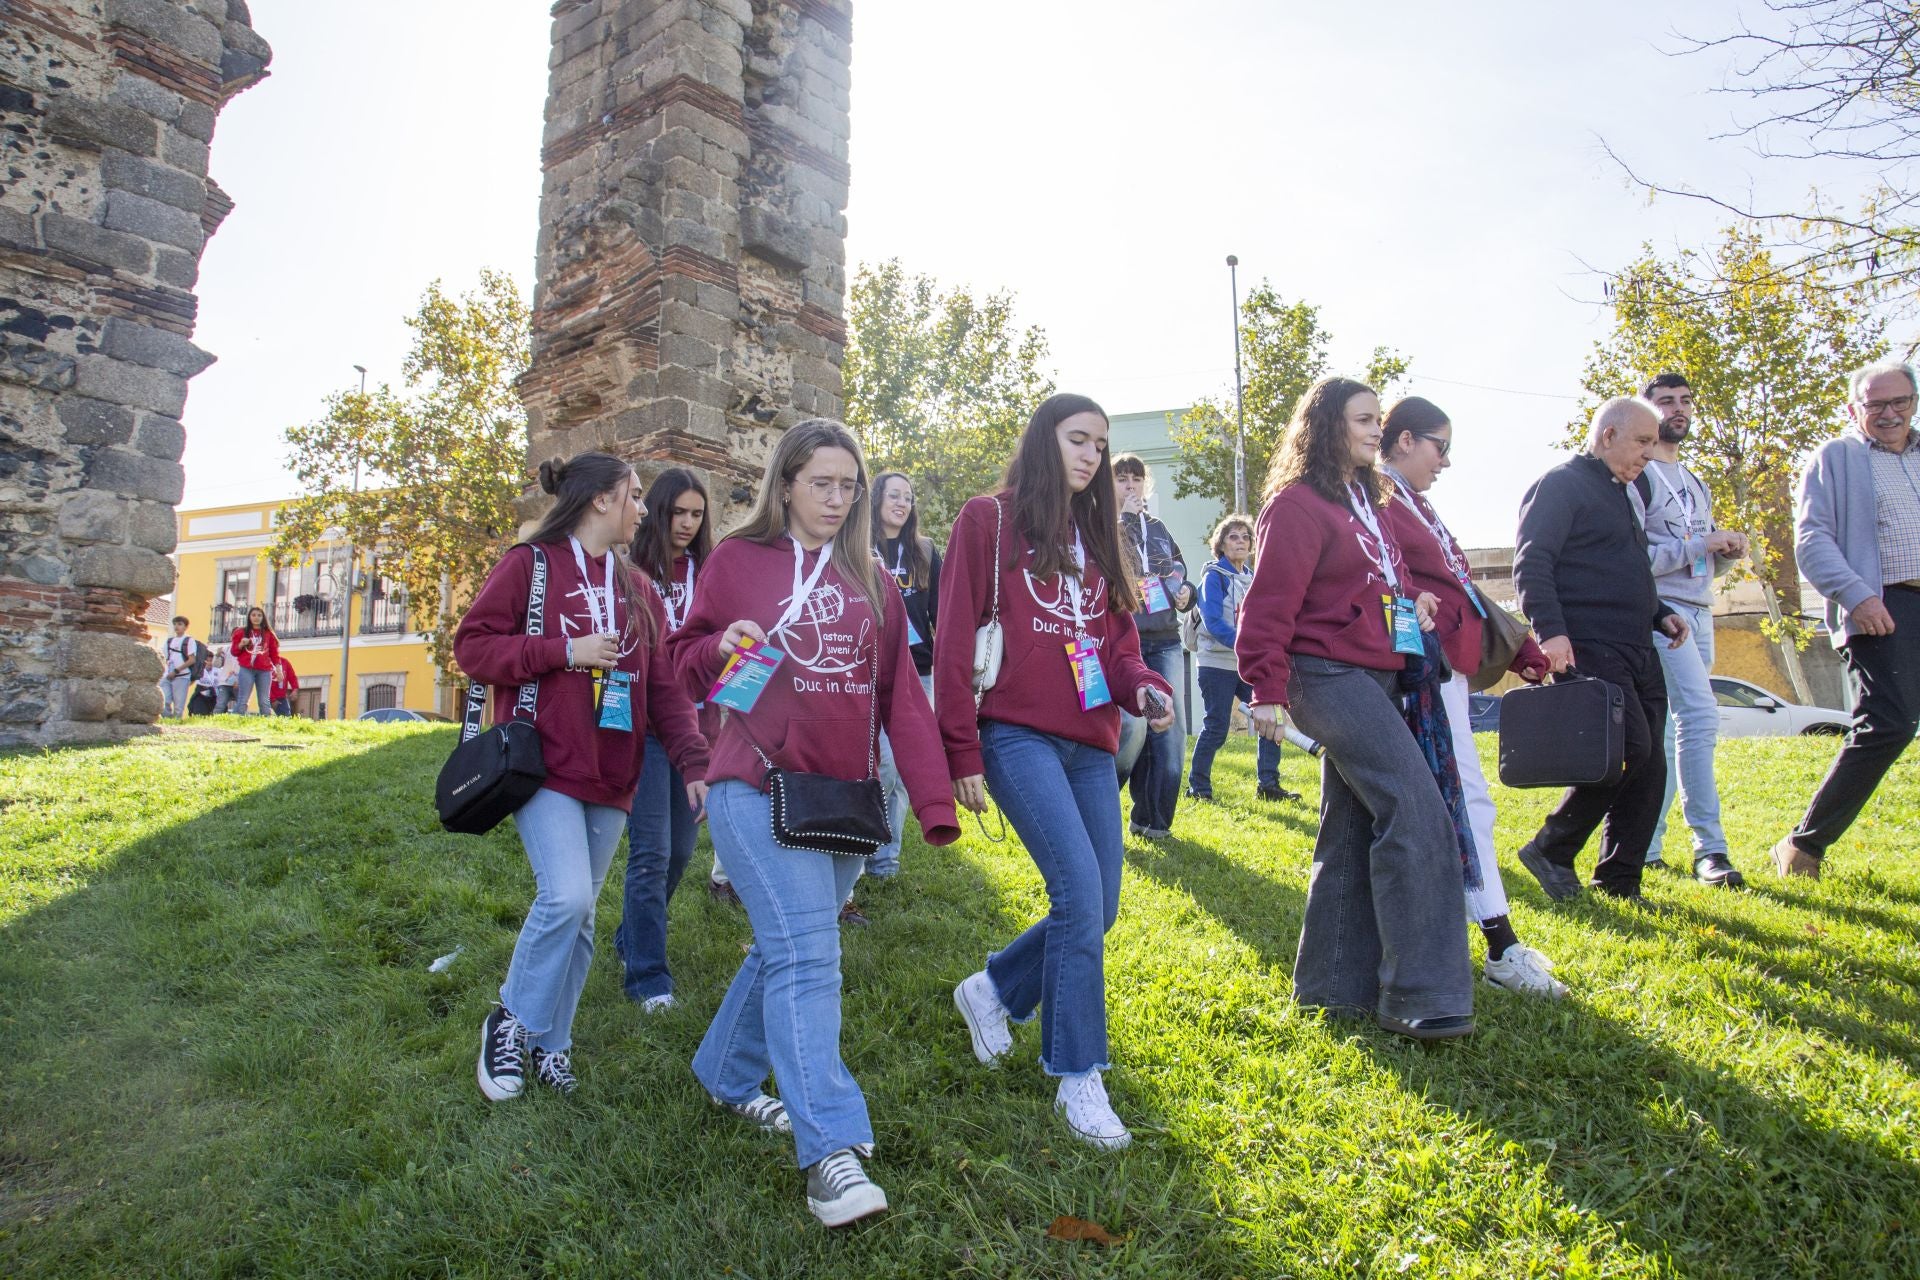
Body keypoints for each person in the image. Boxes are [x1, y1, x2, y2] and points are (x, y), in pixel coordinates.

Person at [667, 419, 959, 1228]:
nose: (836, 499)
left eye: (848, 486)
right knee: (809, 952)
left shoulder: (874, 579)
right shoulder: (736, 561)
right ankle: (830, 1148)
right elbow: (681, 657)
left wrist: (932, 804)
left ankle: (725, 1074)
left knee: (787, 944)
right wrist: (720, 643)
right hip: (752, 785)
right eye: (821, 483)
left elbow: (901, 697)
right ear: (785, 484)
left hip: (842, 799)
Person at [938, 393, 1176, 1150]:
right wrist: (960, 750)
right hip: (1015, 735)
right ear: (1046, 440)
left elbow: (1121, 644)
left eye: (1101, 446)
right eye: (1079, 440)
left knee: (1098, 907)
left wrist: (1145, 684)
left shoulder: (1100, 537)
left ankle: (995, 989)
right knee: (1076, 890)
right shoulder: (990, 520)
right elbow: (951, 641)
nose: (1091, 456)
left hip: (1093, 740)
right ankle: (1079, 1075)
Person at [455, 452, 710, 1103]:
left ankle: (553, 1045)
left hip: (614, 772)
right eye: (634, 496)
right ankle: (510, 1020)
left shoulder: (637, 588)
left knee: (585, 916)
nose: (644, 510)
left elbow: (666, 690)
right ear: (600, 500)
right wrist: (562, 652)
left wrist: (694, 764)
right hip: (541, 763)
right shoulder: (529, 567)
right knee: (566, 897)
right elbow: (473, 647)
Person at [1236, 376, 1475, 1040]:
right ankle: (1422, 995)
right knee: (1416, 808)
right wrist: (1265, 692)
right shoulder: (1297, 505)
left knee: (1348, 828)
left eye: (1378, 420)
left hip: (1376, 677)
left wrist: (1413, 605)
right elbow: (1269, 606)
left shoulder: (1367, 503)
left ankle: (1330, 991)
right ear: (1326, 426)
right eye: (1364, 420)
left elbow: (1377, 588)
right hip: (1324, 676)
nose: (1377, 429)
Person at [1378, 397, 1566, 999]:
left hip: (1444, 665)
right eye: (1441, 446)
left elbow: (1457, 585)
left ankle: (1488, 938)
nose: (1447, 462)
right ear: (1404, 439)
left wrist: (1516, 647)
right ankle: (1497, 943)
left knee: (1453, 800)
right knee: (1462, 799)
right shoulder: (1377, 499)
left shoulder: (1412, 502)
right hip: (1411, 667)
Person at [1512, 398, 1692, 904]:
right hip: (1588, 642)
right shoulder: (1562, 484)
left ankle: (1619, 880)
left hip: (1638, 646)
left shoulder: (1623, 492)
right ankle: (1552, 846)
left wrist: (1660, 614)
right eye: (1642, 442)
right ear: (1608, 435)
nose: (1649, 455)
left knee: (1650, 760)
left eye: (1653, 445)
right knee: (1627, 751)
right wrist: (1550, 632)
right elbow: (1532, 562)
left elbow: (1626, 569)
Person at [1774, 359, 1920, 878]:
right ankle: (1804, 844)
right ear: (1854, 408)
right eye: (1875, 404)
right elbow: (1812, 542)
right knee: (1890, 724)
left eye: (1898, 402)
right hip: (1882, 607)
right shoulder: (1835, 458)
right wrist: (1857, 597)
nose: (1888, 413)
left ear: (1914, 402)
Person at [1633, 374, 1749, 887]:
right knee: (1700, 719)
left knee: (1671, 733)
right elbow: (1634, 561)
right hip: (1663, 615)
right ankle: (1711, 850)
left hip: (1701, 611)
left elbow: (1698, 563)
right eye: (1664, 403)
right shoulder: (1641, 477)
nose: (1677, 410)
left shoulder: (1695, 481)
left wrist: (1723, 556)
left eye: (1684, 401)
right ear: (1646, 412)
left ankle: (1648, 847)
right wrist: (1700, 546)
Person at [615, 466, 715, 1014]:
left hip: (700, 729)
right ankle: (647, 976)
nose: (686, 523)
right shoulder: (633, 572)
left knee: (680, 853)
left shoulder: (713, 569)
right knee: (651, 853)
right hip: (649, 728)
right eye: (677, 511)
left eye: (696, 514)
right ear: (656, 511)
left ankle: (631, 938)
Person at [851, 470, 942, 921]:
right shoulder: (856, 548)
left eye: (909, 497)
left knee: (903, 770)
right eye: (894, 495)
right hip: (870, 670)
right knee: (880, 763)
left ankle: (884, 861)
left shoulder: (925, 552)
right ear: (876, 500)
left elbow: (943, 615)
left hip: (920, 672)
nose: (902, 503)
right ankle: (861, 850)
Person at [1110, 453, 1194, 839]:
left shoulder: (1157, 528)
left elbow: (1178, 573)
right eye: (1123, 479)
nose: (1131, 486)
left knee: (1171, 734)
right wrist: (1125, 519)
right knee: (1133, 729)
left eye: (1137, 480)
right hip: (1124, 642)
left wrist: (1186, 595)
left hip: (1165, 640)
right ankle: (1101, 803)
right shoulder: (1105, 526)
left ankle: (1152, 822)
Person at [1185, 515, 1296, 803]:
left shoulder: (1254, 578)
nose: (1240, 542)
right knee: (1217, 726)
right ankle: (1198, 788)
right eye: (1233, 537)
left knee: (1271, 717)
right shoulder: (1213, 577)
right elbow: (1212, 621)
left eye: (1245, 537)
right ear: (1221, 544)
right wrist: (1247, 646)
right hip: (1216, 663)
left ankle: (1269, 784)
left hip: (1249, 663)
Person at [228, 607, 278, 716]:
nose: (256, 618)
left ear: (263, 618)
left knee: (264, 700)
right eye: (253, 615)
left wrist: (279, 670)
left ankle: (266, 723)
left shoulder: (268, 633)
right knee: (243, 698)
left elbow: (274, 654)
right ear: (249, 617)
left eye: (259, 615)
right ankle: (236, 719)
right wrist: (241, 644)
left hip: (264, 670)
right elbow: (234, 652)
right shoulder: (241, 632)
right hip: (247, 669)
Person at [159, 616, 196, 718]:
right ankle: (169, 720)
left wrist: (176, 671)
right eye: (175, 624)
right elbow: (164, 658)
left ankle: (175, 725)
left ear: (185, 627)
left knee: (178, 707)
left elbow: (192, 659)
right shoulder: (169, 641)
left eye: (180, 624)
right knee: (163, 701)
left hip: (182, 676)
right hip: (167, 675)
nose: (176, 626)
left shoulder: (189, 640)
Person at [213, 648, 238, 713]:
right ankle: (215, 721)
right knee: (220, 705)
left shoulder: (246, 648)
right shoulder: (226, 648)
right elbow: (216, 665)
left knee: (240, 706)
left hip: (239, 683)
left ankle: (240, 721)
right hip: (224, 682)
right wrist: (217, 655)